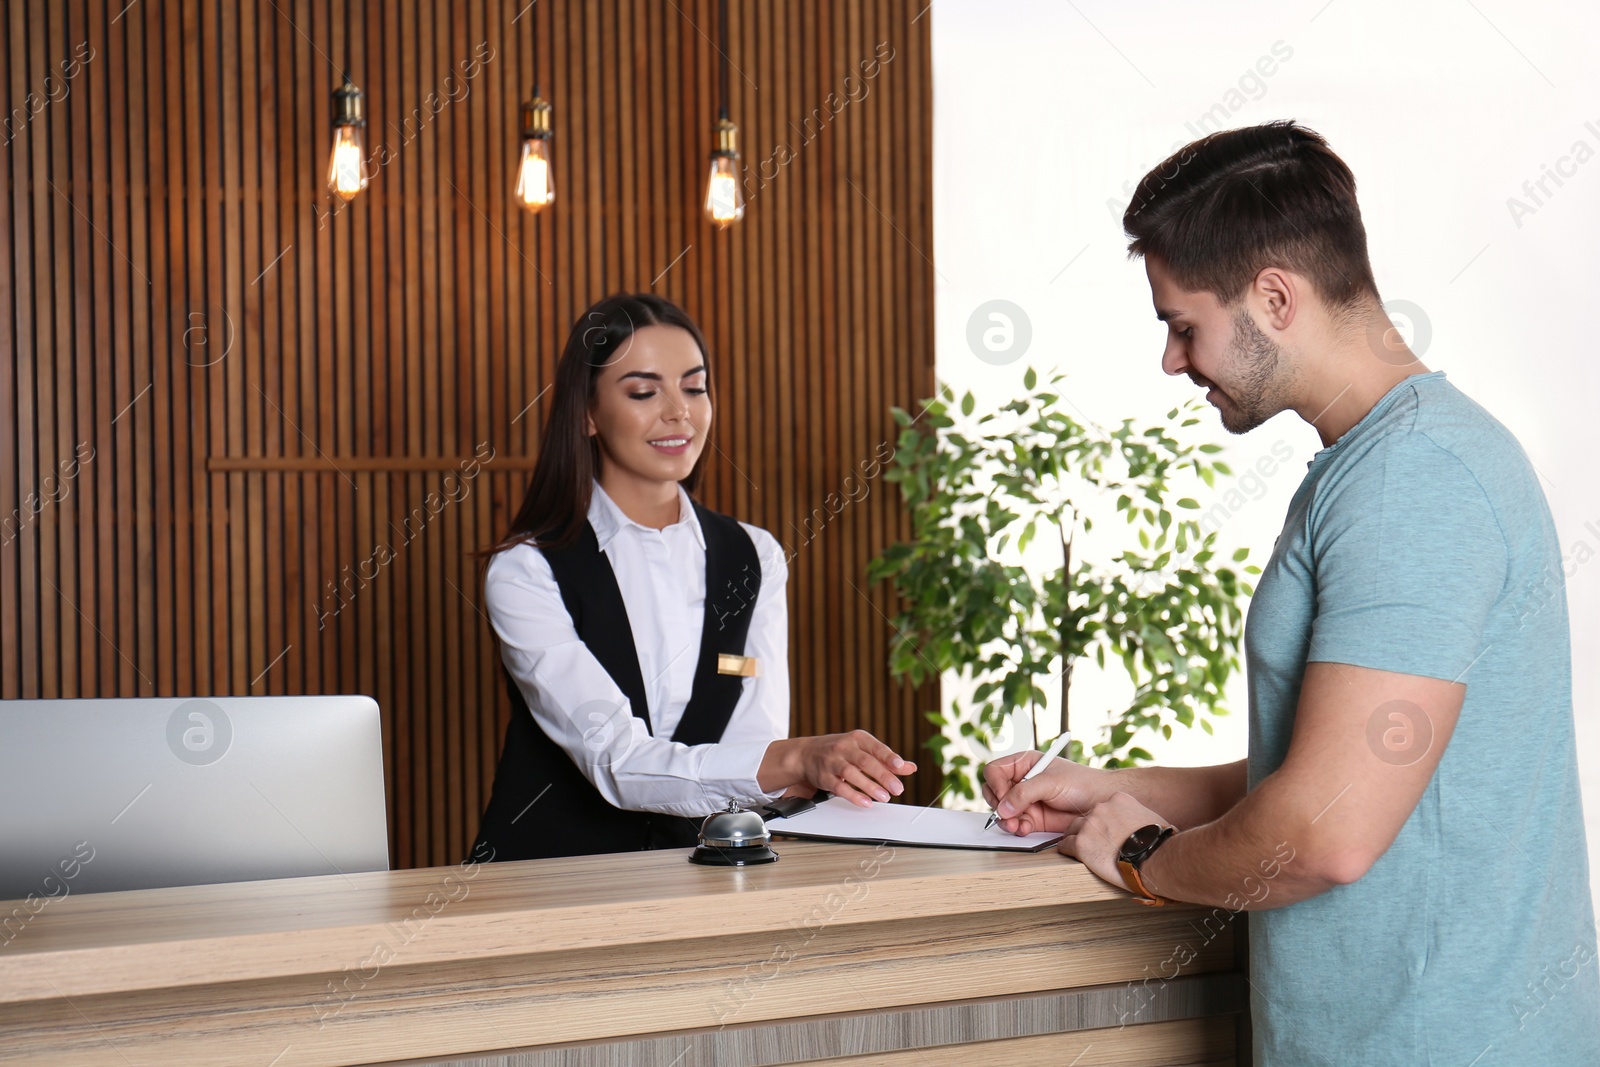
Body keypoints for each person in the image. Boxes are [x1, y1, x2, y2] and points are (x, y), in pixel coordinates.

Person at [984, 122, 1598, 1064]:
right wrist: (1115, 789)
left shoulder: (1410, 481)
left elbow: (1322, 833)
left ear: (1275, 296)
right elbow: (1324, 770)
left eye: (1183, 325)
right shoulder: (1376, 465)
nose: (1173, 361)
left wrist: (1145, 858)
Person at [472, 293, 914, 862]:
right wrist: (797, 759)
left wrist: (807, 776)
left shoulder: (755, 555)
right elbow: (616, 762)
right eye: (643, 391)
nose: (678, 412)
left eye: (695, 386)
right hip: (545, 880)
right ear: (586, 412)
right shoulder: (526, 570)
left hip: (699, 872)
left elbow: (754, 748)